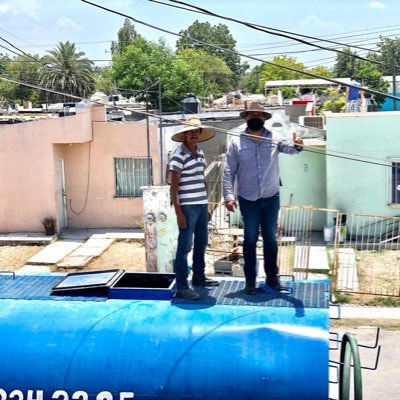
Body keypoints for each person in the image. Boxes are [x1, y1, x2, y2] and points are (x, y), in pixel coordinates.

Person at [223, 102, 303, 295]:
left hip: (270, 197)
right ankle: (250, 281)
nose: (255, 117)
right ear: (246, 118)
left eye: (259, 114)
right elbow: (228, 170)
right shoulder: (236, 142)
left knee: (270, 240)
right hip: (248, 199)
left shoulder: (274, 138)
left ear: (264, 118)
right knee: (250, 239)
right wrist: (228, 196)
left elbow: (290, 149)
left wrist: (298, 145)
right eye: (252, 115)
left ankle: (272, 279)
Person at [170, 115, 219, 300]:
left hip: (200, 205)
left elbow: (201, 179)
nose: (193, 134)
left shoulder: (200, 153)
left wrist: (206, 205)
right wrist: (178, 212)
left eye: (195, 131)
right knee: (184, 247)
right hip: (187, 207)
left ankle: (199, 276)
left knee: (201, 242)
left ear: (199, 133)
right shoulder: (178, 155)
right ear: (184, 135)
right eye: (189, 131)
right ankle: (182, 286)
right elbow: (173, 185)